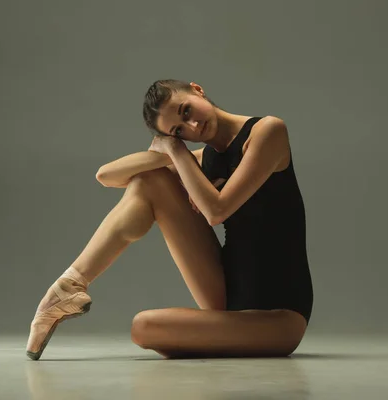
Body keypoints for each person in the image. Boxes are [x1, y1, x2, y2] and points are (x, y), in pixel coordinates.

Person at [26, 80, 313, 360]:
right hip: (227, 296)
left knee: (143, 328)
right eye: (179, 130)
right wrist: (167, 149)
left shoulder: (267, 132)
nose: (192, 127)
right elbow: (106, 176)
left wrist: (175, 151)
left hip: (279, 318)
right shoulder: (204, 158)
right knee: (151, 182)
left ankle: (216, 337)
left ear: (197, 90)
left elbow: (216, 212)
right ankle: (68, 287)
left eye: (186, 111)